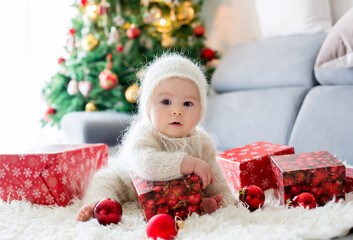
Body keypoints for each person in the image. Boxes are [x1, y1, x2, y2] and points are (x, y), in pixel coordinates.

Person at [77, 53, 238, 222]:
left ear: (201, 110)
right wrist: (187, 163)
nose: (177, 111)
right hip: (131, 181)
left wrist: (226, 199)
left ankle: (197, 205)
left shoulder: (202, 141)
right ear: (148, 106)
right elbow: (146, 164)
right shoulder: (144, 132)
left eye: (187, 104)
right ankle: (98, 205)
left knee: (187, 191)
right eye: (166, 102)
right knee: (105, 177)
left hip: (170, 192)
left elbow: (213, 176)